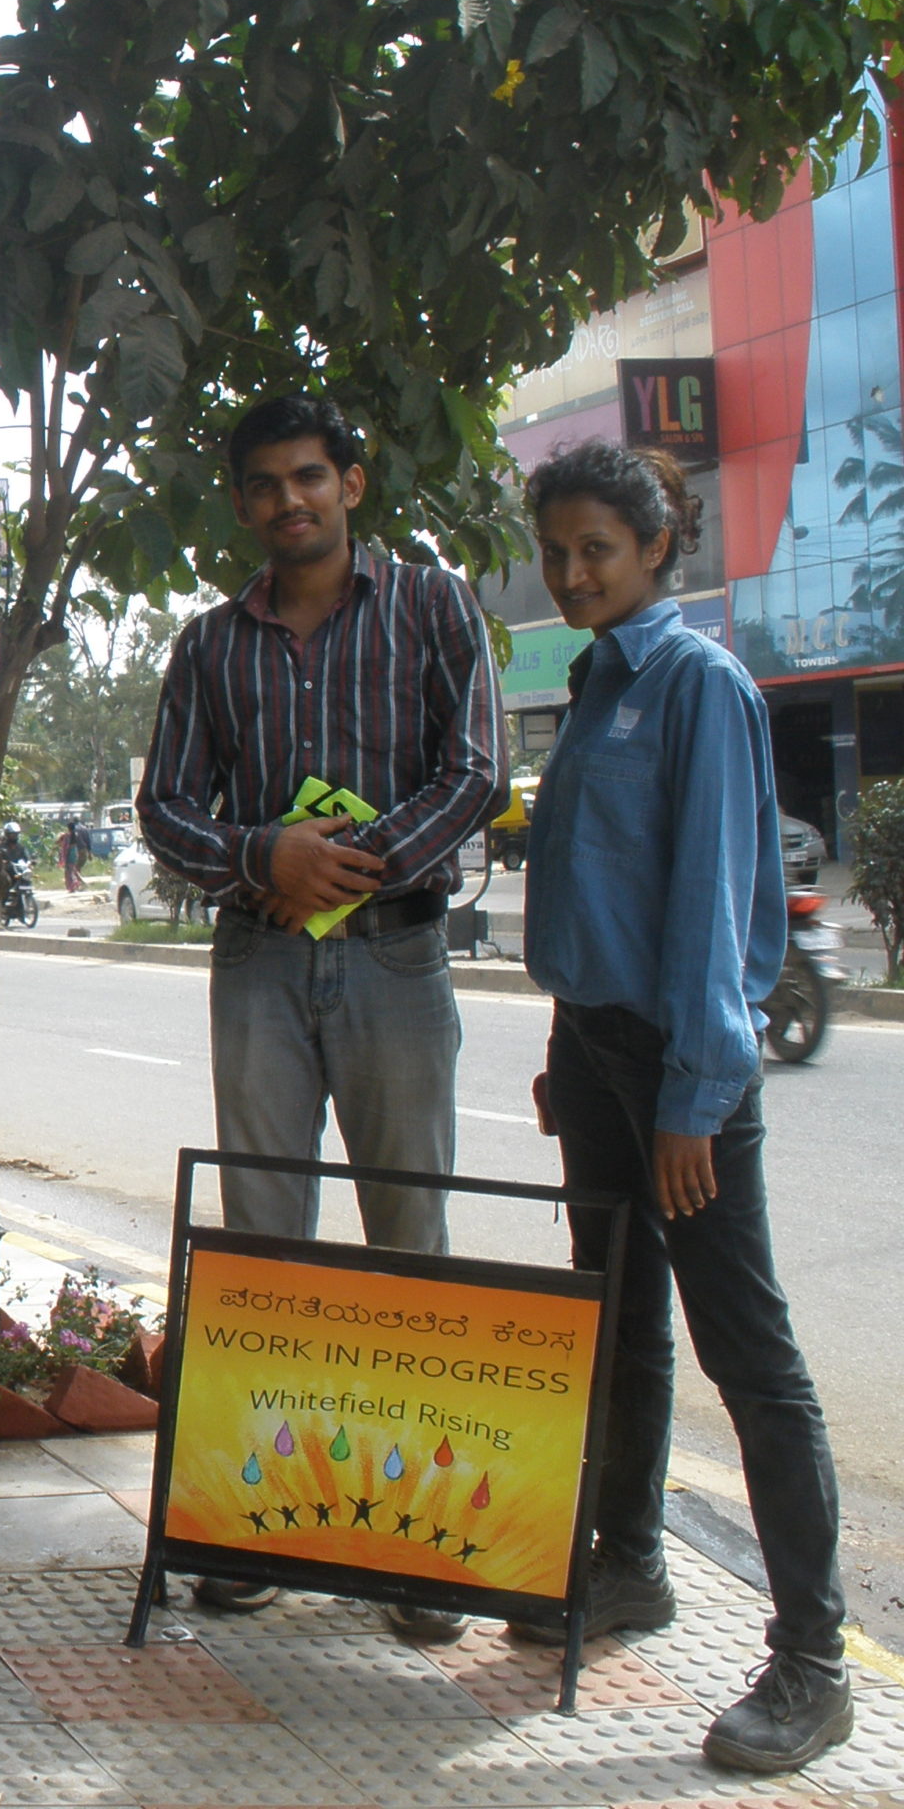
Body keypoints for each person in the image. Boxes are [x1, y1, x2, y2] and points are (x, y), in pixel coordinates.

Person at [136, 393, 502, 1637]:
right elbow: (165, 808)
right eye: (264, 485)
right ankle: (251, 1529)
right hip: (259, 964)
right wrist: (262, 855)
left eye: (310, 477)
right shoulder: (207, 646)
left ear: (351, 481)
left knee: (410, 1242)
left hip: (399, 958)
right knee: (266, 1246)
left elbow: (476, 768)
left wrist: (349, 867)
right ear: (239, 504)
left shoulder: (432, 604)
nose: (288, 501)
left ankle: (418, 1547)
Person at [519, 442, 850, 1773]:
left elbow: (717, 911)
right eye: (556, 552)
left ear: (660, 548)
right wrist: (566, 1050)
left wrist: (694, 1104)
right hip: (596, 1051)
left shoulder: (697, 685)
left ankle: (814, 1663)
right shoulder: (597, 686)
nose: (574, 571)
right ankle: (628, 1565)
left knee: (750, 1357)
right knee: (619, 1323)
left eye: (597, 547)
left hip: (677, 1072)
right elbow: (592, 890)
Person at [58, 820, 86, 893]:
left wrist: (64, 856)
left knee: (69, 871)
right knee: (72, 870)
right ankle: (77, 884)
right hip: (75, 852)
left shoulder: (68, 836)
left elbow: (66, 847)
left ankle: (72, 886)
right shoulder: (76, 834)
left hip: (70, 853)